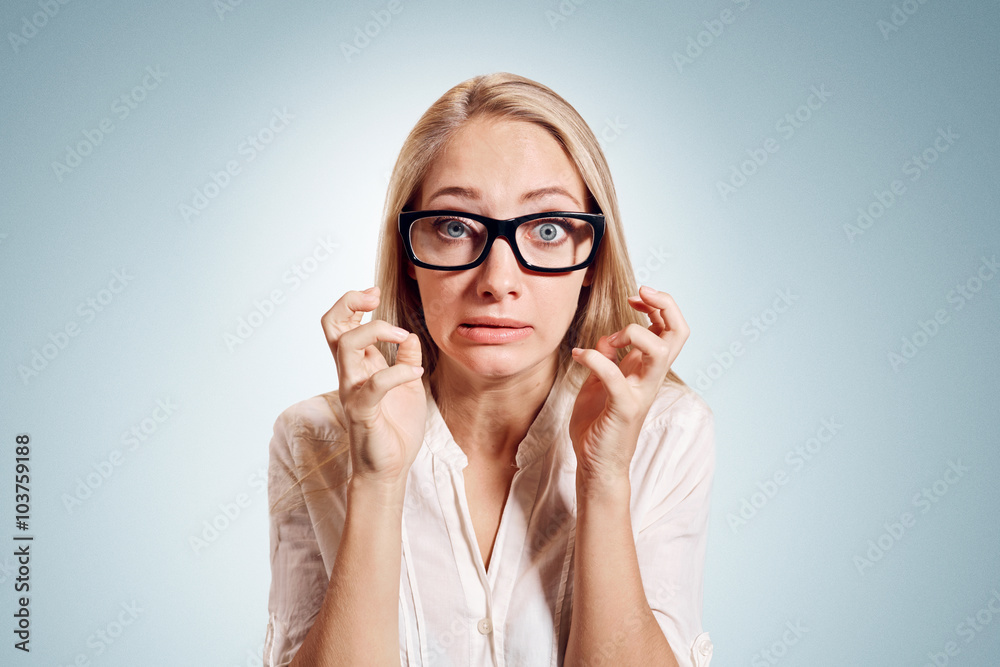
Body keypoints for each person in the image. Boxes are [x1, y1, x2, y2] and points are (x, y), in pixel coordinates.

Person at [263, 72, 715, 667]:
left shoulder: (667, 432)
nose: (498, 283)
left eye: (547, 229)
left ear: (591, 260)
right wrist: (376, 483)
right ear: (408, 257)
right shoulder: (314, 436)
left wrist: (604, 479)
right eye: (455, 227)